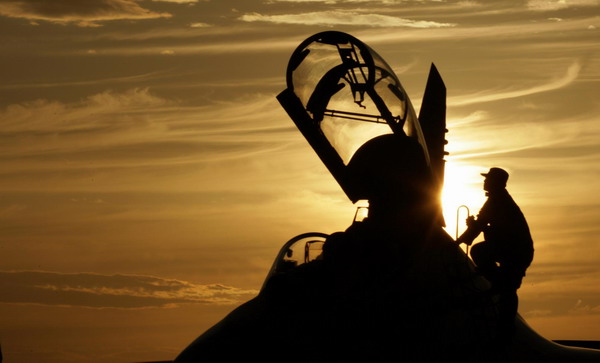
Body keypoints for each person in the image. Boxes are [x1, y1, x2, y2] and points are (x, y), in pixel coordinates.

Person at [457, 167, 534, 340]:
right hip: (512, 250)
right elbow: (482, 225)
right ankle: (497, 284)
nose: (485, 181)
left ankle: (505, 329)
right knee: (506, 287)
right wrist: (471, 230)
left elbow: (481, 226)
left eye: (488, 179)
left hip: (515, 252)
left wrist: (459, 241)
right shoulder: (497, 200)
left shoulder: (498, 201)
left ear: (496, 182)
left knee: (507, 288)